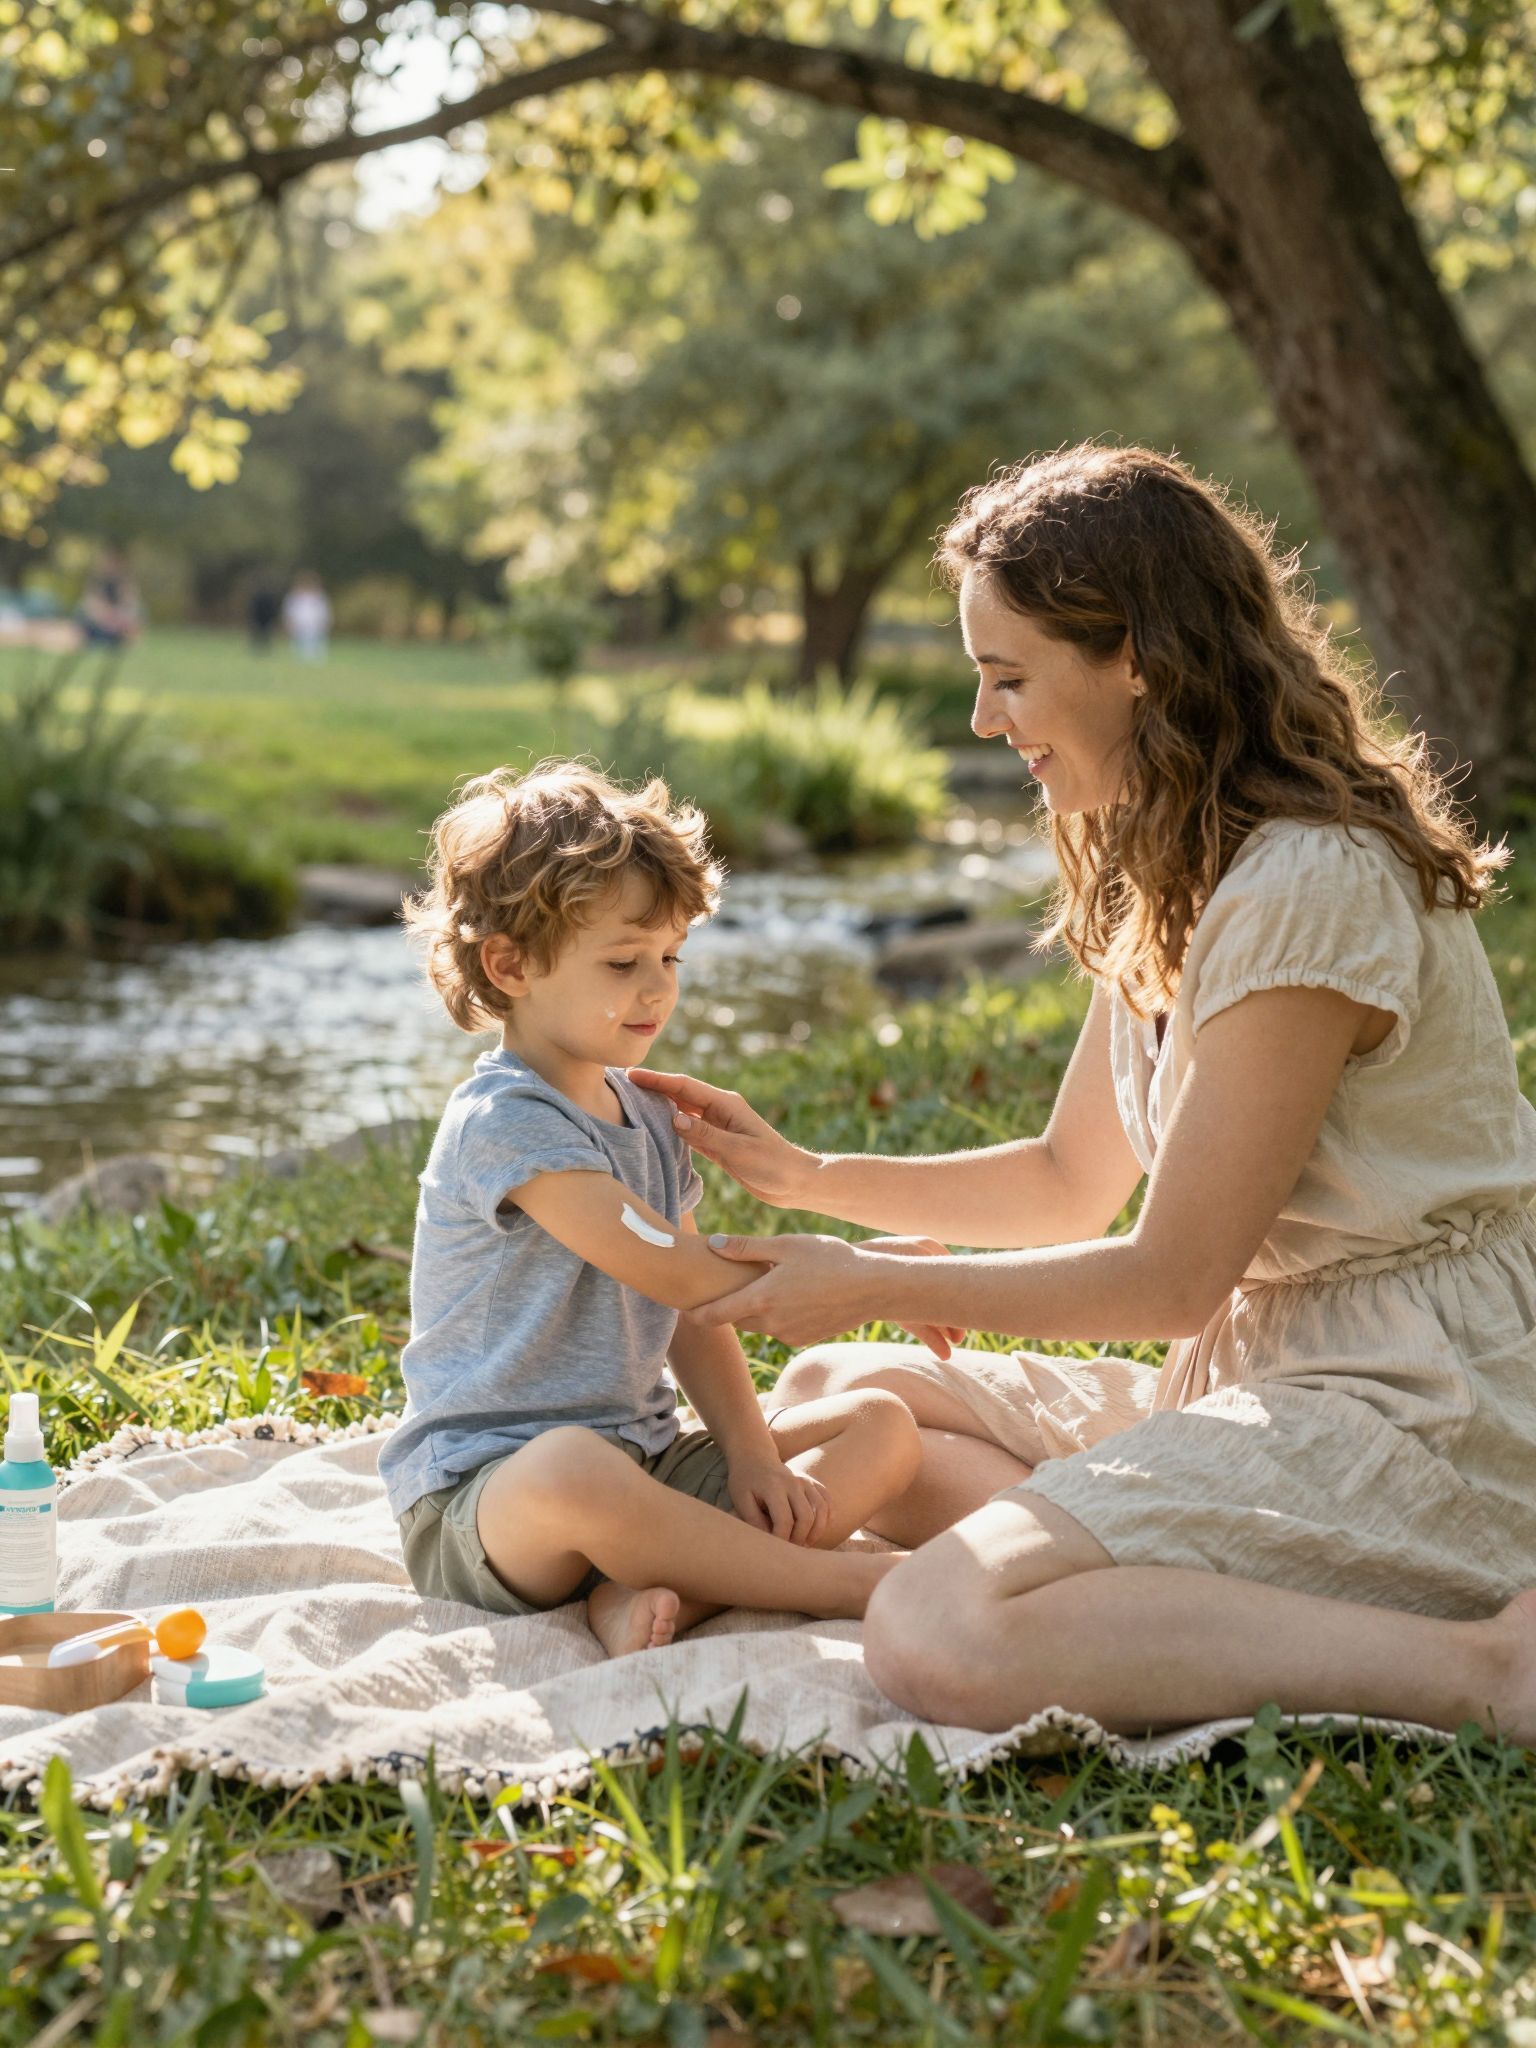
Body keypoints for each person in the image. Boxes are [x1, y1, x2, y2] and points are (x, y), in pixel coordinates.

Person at [628, 442, 1536, 1745]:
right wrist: (806, 1178)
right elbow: (1069, 1178)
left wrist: (878, 1272)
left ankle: (1485, 1669)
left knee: (939, 1632)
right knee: (855, 1384)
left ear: (1139, 660)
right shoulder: (1168, 855)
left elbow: (1171, 1278)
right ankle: (1146, 1602)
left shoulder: (1311, 884)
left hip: (1426, 1401)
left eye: (1009, 680)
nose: (988, 722)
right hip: (1270, 1365)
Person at [379, 761, 921, 1659]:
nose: (658, 988)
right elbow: (667, 1268)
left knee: (882, 1425)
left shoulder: (649, 1118)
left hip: (647, 1466)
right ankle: (846, 1583)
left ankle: (644, 1593)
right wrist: (868, 1278)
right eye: (624, 963)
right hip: (491, 1503)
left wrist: (749, 1452)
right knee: (571, 1467)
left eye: (670, 958)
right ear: (509, 965)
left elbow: (692, 1311)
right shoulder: (505, 1122)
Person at [76, 545, 142, 648]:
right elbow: (92, 603)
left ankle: (123, 638)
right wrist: (107, 616)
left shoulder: (123, 581)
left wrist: (120, 617)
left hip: (118, 619)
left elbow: (130, 601)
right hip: (100, 619)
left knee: (136, 613)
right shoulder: (96, 581)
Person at [282, 570, 331, 659]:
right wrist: (289, 623)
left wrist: (324, 623)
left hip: (314, 625)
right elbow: (289, 611)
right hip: (299, 624)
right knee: (298, 647)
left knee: (314, 646)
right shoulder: (294, 597)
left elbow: (323, 611)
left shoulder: (319, 597)